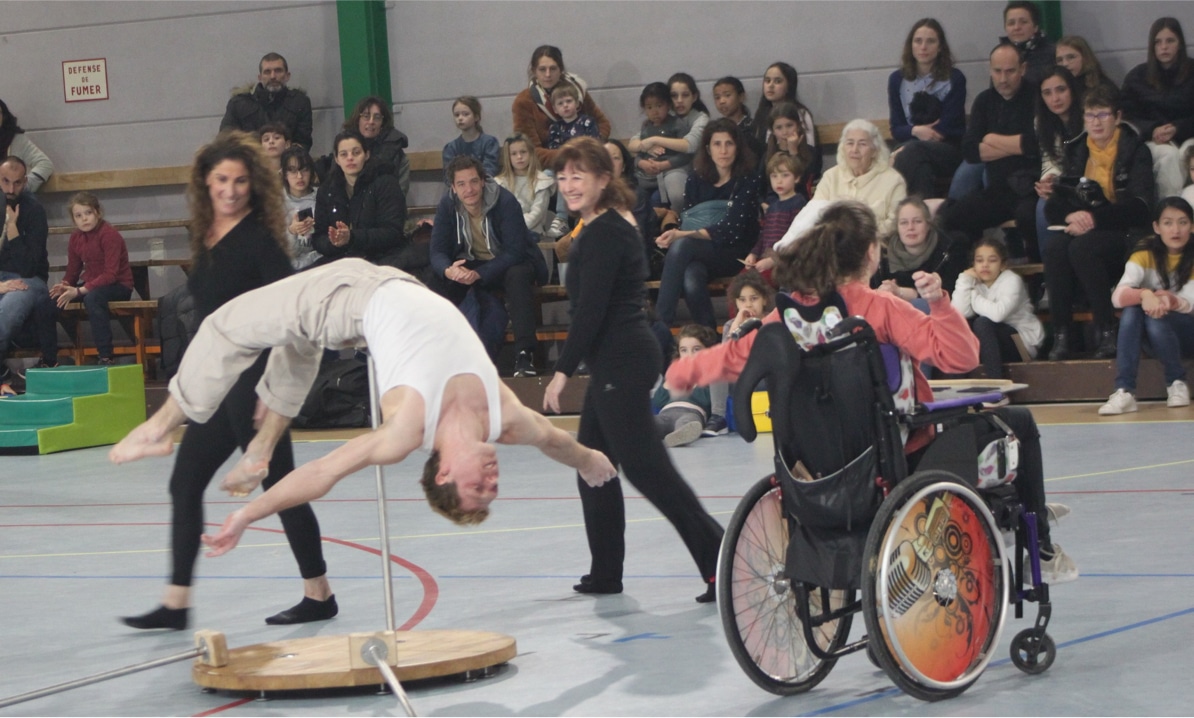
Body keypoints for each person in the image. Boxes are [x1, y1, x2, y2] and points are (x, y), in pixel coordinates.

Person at [665, 200, 1077, 584]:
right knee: (1017, 421)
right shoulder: (880, 307)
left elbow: (735, 356)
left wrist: (684, 371)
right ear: (870, 254)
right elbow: (960, 357)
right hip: (894, 453)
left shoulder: (788, 315)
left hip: (816, 462)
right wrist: (939, 304)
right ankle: (1038, 543)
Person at [110, 258, 616, 546]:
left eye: (476, 488)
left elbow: (323, 472)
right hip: (396, 287)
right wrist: (592, 461)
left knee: (228, 324)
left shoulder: (406, 431)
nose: (492, 482)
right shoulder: (506, 420)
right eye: (493, 490)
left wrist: (247, 516)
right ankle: (261, 448)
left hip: (354, 296)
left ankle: (163, 423)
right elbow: (558, 442)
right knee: (300, 343)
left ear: (442, 475)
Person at [117, 131, 336, 631]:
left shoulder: (258, 239)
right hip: (220, 379)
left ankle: (318, 592)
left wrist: (273, 389)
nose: (231, 190)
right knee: (185, 481)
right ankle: (176, 603)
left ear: (253, 185)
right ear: (206, 183)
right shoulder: (206, 235)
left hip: (257, 381)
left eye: (240, 181)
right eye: (221, 180)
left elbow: (291, 313)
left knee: (282, 487)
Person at [543, 137, 724, 601]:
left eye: (578, 175)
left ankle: (719, 559)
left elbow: (591, 311)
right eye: (563, 177)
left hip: (621, 359)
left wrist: (562, 371)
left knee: (647, 470)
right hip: (616, 357)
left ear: (604, 178)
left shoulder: (605, 231)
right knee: (594, 467)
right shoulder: (603, 224)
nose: (569, 185)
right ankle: (606, 572)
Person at [1044, 84, 1156, 360]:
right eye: (1090, 116)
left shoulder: (1135, 150)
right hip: (1086, 228)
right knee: (1054, 248)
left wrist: (1093, 218)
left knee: (1081, 248)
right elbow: (1056, 203)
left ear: (1117, 117)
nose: (1096, 122)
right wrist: (1071, 215)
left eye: (1103, 115)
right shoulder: (1078, 150)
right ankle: (1062, 334)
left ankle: (1106, 330)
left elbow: (1140, 208)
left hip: (1125, 231)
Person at [430, 155, 547, 377]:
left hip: (509, 262)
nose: (469, 189)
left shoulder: (504, 201)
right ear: (453, 188)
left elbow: (515, 251)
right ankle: (440, 354)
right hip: (473, 261)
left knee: (517, 276)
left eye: (474, 181)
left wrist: (478, 274)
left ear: (483, 181)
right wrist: (449, 269)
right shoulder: (447, 205)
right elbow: (437, 251)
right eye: (461, 184)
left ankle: (524, 354)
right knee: (437, 280)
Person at [651, 119, 761, 348]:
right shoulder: (696, 178)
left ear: (738, 147)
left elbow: (733, 230)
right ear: (708, 148)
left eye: (729, 144)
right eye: (717, 144)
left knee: (682, 246)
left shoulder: (748, 178)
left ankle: (659, 328)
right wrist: (681, 233)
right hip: (704, 250)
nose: (723, 150)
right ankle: (710, 340)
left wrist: (681, 235)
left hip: (737, 251)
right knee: (691, 275)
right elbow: (690, 218)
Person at [938, 44, 1039, 258]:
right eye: (997, 71)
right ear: (990, 70)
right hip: (997, 191)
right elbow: (971, 151)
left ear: (1023, 68)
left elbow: (1036, 145)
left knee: (1029, 216)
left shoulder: (1037, 97)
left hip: (1031, 188)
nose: (1003, 79)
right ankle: (973, 268)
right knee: (949, 219)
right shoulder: (984, 101)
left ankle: (1039, 277)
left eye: (1010, 71)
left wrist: (992, 139)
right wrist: (1016, 146)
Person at [1099, 197, 1194, 416]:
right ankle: (1124, 391)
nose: (1176, 230)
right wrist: (1145, 294)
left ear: (1192, 226)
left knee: (1151, 315)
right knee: (1134, 311)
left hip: (1187, 332)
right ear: (1156, 227)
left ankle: (1177, 381)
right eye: (1168, 223)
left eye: (1183, 222)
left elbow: (1190, 304)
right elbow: (1118, 297)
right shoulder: (1143, 254)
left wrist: (1162, 299)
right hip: (1156, 335)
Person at [777, 118, 906, 247]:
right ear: (843, 147)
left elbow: (895, 224)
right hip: (833, 251)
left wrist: (856, 235)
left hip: (874, 250)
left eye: (862, 144)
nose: (854, 150)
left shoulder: (893, 180)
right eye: (850, 143)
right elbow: (814, 216)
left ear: (874, 151)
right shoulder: (831, 177)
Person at [49, 192, 134, 365]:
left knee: (93, 299)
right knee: (52, 301)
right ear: (73, 220)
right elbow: (73, 270)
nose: (84, 219)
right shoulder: (75, 237)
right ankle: (49, 358)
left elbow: (111, 274)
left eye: (88, 213)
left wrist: (79, 290)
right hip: (92, 285)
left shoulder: (109, 235)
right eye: (78, 216)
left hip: (119, 285)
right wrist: (65, 286)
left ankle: (105, 355)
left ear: (97, 212)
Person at [888, 18, 967, 198]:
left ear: (940, 47)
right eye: (918, 41)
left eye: (931, 41)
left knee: (908, 154)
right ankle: (924, 219)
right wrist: (916, 130)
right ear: (911, 46)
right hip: (910, 147)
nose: (924, 47)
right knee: (919, 166)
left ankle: (910, 219)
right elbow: (896, 128)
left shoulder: (955, 78)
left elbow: (950, 127)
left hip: (947, 149)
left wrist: (916, 135)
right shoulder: (896, 79)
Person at [0, 156, 58, 390]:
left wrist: (13, 230)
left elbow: (28, 267)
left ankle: (3, 377)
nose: (11, 189)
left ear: (25, 182)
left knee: (5, 316)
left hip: (29, 280)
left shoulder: (34, 210)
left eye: (17, 183)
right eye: (5, 181)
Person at [1120, 17, 1194, 200]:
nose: (1164, 47)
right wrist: (1152, 129)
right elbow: (1125, 117)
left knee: (1186, 152)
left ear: (1180, 44)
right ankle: (1168, 212)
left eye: (1170, 41)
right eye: (1158, 42)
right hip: (1152, 139)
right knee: (1169, 156)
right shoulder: (1137, 77)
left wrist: (1178, 127)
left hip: (1189, 135)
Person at [951, 234, 1044, 379]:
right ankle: (957, 390)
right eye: (979, 261)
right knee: (963, 326)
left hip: (1020, 343)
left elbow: (998, 314)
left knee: (983, 322)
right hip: (990, 343)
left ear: (1003, 264)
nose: (985, 265)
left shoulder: (1012, 280)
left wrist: (974, 297)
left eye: (992, 260)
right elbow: (959, 315)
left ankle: (997, 388)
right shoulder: (972, 281)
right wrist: (964, 280)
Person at [311, 131, 408, 266]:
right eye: (344, 154)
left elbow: (392, 233)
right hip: (339, 259)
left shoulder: (386, 183)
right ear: (337, 159)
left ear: (366, 155)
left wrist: (352, 237)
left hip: (381, 259)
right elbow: (318, 237)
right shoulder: (327, 190)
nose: (350, 158)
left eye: (356, 153)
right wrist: (333, 242)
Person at [512, 45, 611, 167]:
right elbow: (528, 148)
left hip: (587, 160)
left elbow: (603, 123)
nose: (548, 74)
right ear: (534, 71)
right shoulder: (524, 101)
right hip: (548, 166)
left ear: (561, 69)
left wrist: (592, 146)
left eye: (553, 68)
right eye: (542, 69)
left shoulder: (576, 91)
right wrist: (570, 156)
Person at [705, 270, 776, 436]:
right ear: (735, 303)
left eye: (754, 298)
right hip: (743, 380)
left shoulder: (773, 319)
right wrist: (738, 324)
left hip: (769, 378)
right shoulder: (732, 324)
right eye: (742, 300)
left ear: (765, 299)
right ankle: (718, 417)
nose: (748, 305)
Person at [629, 73, 710, 214]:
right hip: (651, 175)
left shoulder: (699, 119)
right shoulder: (655, 121)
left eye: (685, 95)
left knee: (674, 196)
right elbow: (634, 143)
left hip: (683, 170)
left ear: (694, 96)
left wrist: (654, 141)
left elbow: (689, 146)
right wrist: (643, 154)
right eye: (674, 96)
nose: (679, 101)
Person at [1031, 66, 1086, 258]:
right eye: (1047, 93)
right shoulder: (1041, 122)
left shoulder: (1088, 117)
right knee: (1042, 204)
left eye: (1061, 90)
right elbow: (1049, 159)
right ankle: (1050, 271)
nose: (1055, 98)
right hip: (1064, 182)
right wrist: (1049, 178)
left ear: (1072, 89)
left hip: (1088, 179)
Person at [873, 196, 968, 302]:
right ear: (897, 227)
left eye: (917, 221)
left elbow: (948, 295)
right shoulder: (882, 252)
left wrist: (900, 292)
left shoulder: (949, 248)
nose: (910, 228)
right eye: (904, 222)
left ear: (928, 224)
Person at [219, 52, 312, 149]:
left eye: (278, 71)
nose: (273, 76)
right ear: (260, 77)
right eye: (267, 72)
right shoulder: (238, 104)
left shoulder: (299, 103)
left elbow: (303, 142)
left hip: (286, 161)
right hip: (250, 162)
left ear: (287, 76)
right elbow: (225, 141)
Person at [631, 82, 692, 218]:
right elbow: (639, 154)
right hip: (646, 178)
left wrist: (664, 165)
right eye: (649, 107)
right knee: (637, 201)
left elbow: (686, 156)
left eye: (659, 106)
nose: (654, 111)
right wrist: (641, 163)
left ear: (668, 105)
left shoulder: (677, 124)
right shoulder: (646, 126)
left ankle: (676, 222)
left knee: (662, 200)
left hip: (669, 175)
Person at [745, 152, 808, 284]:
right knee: (740, 283)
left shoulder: (799, 203)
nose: (779, 181)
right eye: (774, 176)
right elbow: (764, 236)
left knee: (756, 285)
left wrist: (773, 260)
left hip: (786, 262)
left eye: (785, 175)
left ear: (796, 178)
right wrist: (753, 254)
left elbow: (797, 240)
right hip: (765, 259)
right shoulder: (772, 205)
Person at [651, 324, 718, 448]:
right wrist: (667, 386)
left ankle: (680, 436)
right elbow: (658, 401)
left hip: (692, 411)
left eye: (696, 349)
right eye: (684, 350)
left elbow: (709, 401)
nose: (689, 355)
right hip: (666, 413)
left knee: (688, 422)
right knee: (654, 422)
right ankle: (642, 432)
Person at [751, 62, 820, 178]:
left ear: (789, 85)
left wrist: (793, 151)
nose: (771, 85)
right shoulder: (761, 114)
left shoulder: (801, 114)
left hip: (798, 172)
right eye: (767, 81)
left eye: (777, 81)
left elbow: (810, 156)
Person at [494, 133, 563, 241]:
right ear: (508, 157)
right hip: (506, 232)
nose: (519, 157)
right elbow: (500, 212)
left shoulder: (541, 181)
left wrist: (515, 227)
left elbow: (537, 213)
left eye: (523, 152)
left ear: (530, 153)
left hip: (533, 232)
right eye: (514, 154)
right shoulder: (500, 183)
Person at [347, 96, 411, 198]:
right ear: (357, 120)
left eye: (377, 117)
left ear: (383, 123)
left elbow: (399, 195)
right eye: (366, 116)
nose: (371, 121)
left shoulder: (397, 155)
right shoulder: (344, 148)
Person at [760, 102, 817, 201]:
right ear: (773, 131)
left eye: (789, 125)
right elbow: (760, 185)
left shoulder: (810, 152)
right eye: (779, 128)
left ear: (798, 126)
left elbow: (803, 183)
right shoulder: (768, 155)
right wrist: (762, 203)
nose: (785, 132)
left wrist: (793, 152)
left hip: (801, 203)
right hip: (774, 205)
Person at [280, 146, 320, 270]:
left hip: (319, 262)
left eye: (304, 170)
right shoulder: (277, 202)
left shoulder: (322, 197)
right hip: (290, 267)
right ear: (284, 174)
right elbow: (276, 251)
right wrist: (292, 231)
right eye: (292, 171)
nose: (299, 176)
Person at [0, 99, 53, 192]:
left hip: (12, 200)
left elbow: (45, 164)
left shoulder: (15, 139)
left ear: (3, 116)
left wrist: (23, 187)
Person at [442, 96, 500, 181]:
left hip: (484, 187)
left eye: (465, 114)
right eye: (457, 115)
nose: (460, 118)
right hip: (460, 191)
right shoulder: (451, 148)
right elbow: (448, 177)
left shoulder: (489, 143)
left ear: (476, 117)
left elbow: (490, 171)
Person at [1001, 1, 1056, 87]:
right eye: (1011, 23)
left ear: (1035, 27)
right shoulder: (1000, 55)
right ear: (1005, 28)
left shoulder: (1053, 53)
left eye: (1023, 22)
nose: (1016, 27)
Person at [546, 84, 601, 149]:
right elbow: (553, 149)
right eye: (560, 103)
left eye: (569, 101)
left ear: (577, 103)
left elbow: (595, 143)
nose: (565, 105)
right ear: (555, 109)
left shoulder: (588, 122)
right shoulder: (555, 128)